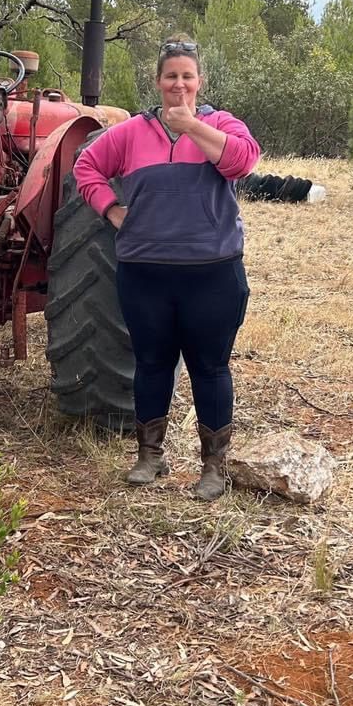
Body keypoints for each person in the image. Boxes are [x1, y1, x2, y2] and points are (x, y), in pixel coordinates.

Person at [72, 40, 260, 500]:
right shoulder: (132, 133)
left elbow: (244, 160)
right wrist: (112, 210)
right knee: (151, 363)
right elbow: (86, 166)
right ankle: (149, 456)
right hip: (145, 272)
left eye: (187, 76)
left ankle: (213, 467)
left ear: (200, 82)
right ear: (158, 82)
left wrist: (193, 126)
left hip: (213, 272)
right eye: (170, 76)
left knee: (209, 368)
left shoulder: (220, 125)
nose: (179, 84)